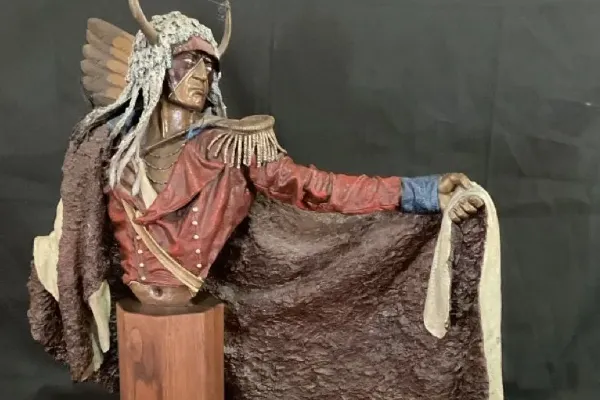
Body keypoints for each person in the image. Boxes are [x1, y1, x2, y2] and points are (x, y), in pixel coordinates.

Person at [28, 1, 494, 396]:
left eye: (210, 66)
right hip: (136, 316)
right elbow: (79, 234)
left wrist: (420, 191)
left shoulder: (234, 147)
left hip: (189, 310)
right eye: (189, 61)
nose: (202, 75)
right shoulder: (108, 152)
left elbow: (317, 188)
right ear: (155, 65)